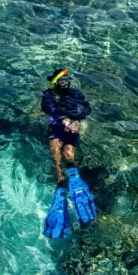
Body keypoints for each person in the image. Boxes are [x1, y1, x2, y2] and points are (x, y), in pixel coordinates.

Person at [41, 68, 96, 238]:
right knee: (56, 156)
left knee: (69, 154)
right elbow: (48, 108)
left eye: (67, 78)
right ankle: (60, 186)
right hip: (57, 128)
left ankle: (73, 176)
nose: (65, 81)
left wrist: (77, 121)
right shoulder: (49, 95)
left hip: (72, 128)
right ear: (55, 82)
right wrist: (63, 119)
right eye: (61, 79)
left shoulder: (76, 93)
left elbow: (86, 108)